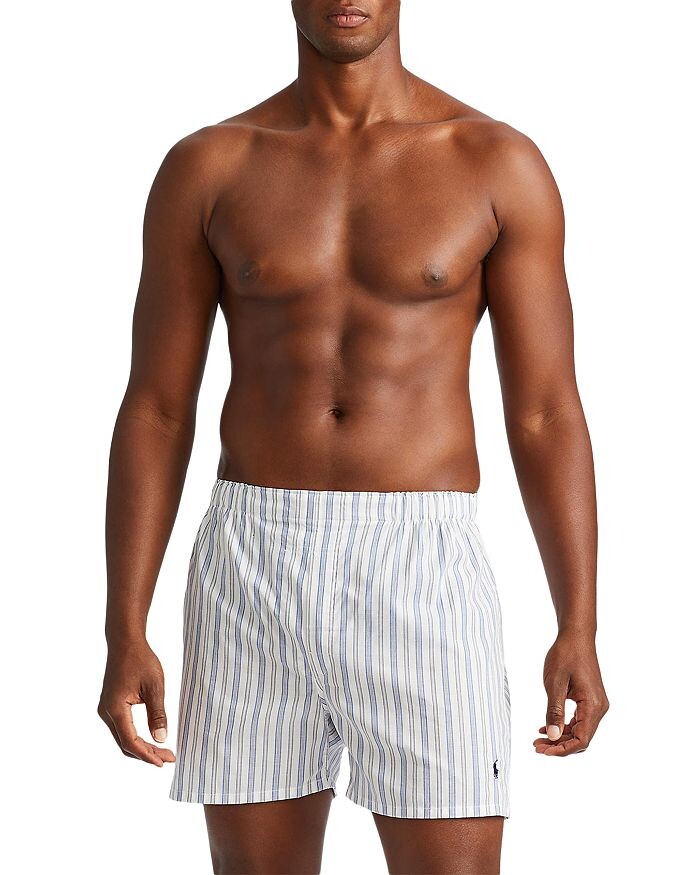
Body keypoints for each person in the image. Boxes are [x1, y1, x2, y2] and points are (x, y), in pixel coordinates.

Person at [97, 2, 609, 872]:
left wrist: (579, 624)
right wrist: (124, 627)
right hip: (252, 560)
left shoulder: (494, 161)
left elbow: (546, 412)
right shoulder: (211, 165)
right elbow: (155, 408)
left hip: (423, 562)